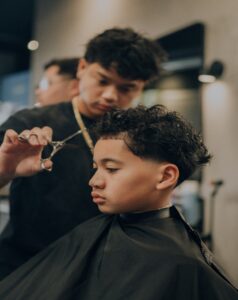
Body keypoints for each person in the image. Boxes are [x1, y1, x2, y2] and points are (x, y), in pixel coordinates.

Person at [0, 105, 237, 300]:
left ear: (165, 177)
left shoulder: (182, 265)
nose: (94, 181)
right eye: (96, 168)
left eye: (111, 169)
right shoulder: (91, 233)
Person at [0, 28, 165, 280]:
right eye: (102, 80)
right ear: (82, 68)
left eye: (127, 88)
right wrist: (5, 171)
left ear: (141, 88)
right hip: (25, 268)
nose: (110, 95)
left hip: (98, 273)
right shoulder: (30, 123)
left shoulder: (142, 137)